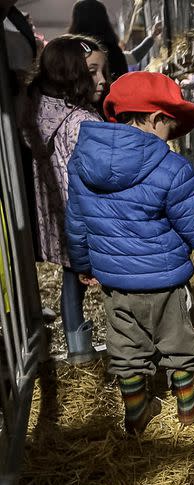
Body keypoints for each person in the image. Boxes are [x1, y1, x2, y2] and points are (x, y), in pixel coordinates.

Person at [65, 72, 194, 434]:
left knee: (127, 350)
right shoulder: (172, 169)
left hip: (115, 284)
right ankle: (188, 405)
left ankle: (136, 412)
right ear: (153, 118)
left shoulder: (82, 163)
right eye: (170, 123)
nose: (173, 132)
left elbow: (76, 223)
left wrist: (83, 265)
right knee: (177, 342)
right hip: (165, 282)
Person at [22, 35, 108, 361]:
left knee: (72, 282)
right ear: (71, 73)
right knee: (104, 280)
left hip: (61, 219)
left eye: (103, 71)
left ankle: (78, 349)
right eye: (93, 71)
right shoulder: (80, 121)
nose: (102, 80)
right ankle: (126, 348)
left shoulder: (41, 112)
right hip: (88, 219)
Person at [68, 0, 163, 79]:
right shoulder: (113, 52)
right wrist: (153, 36)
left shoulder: (69, 53)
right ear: (104, 21)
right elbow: (134, 57)